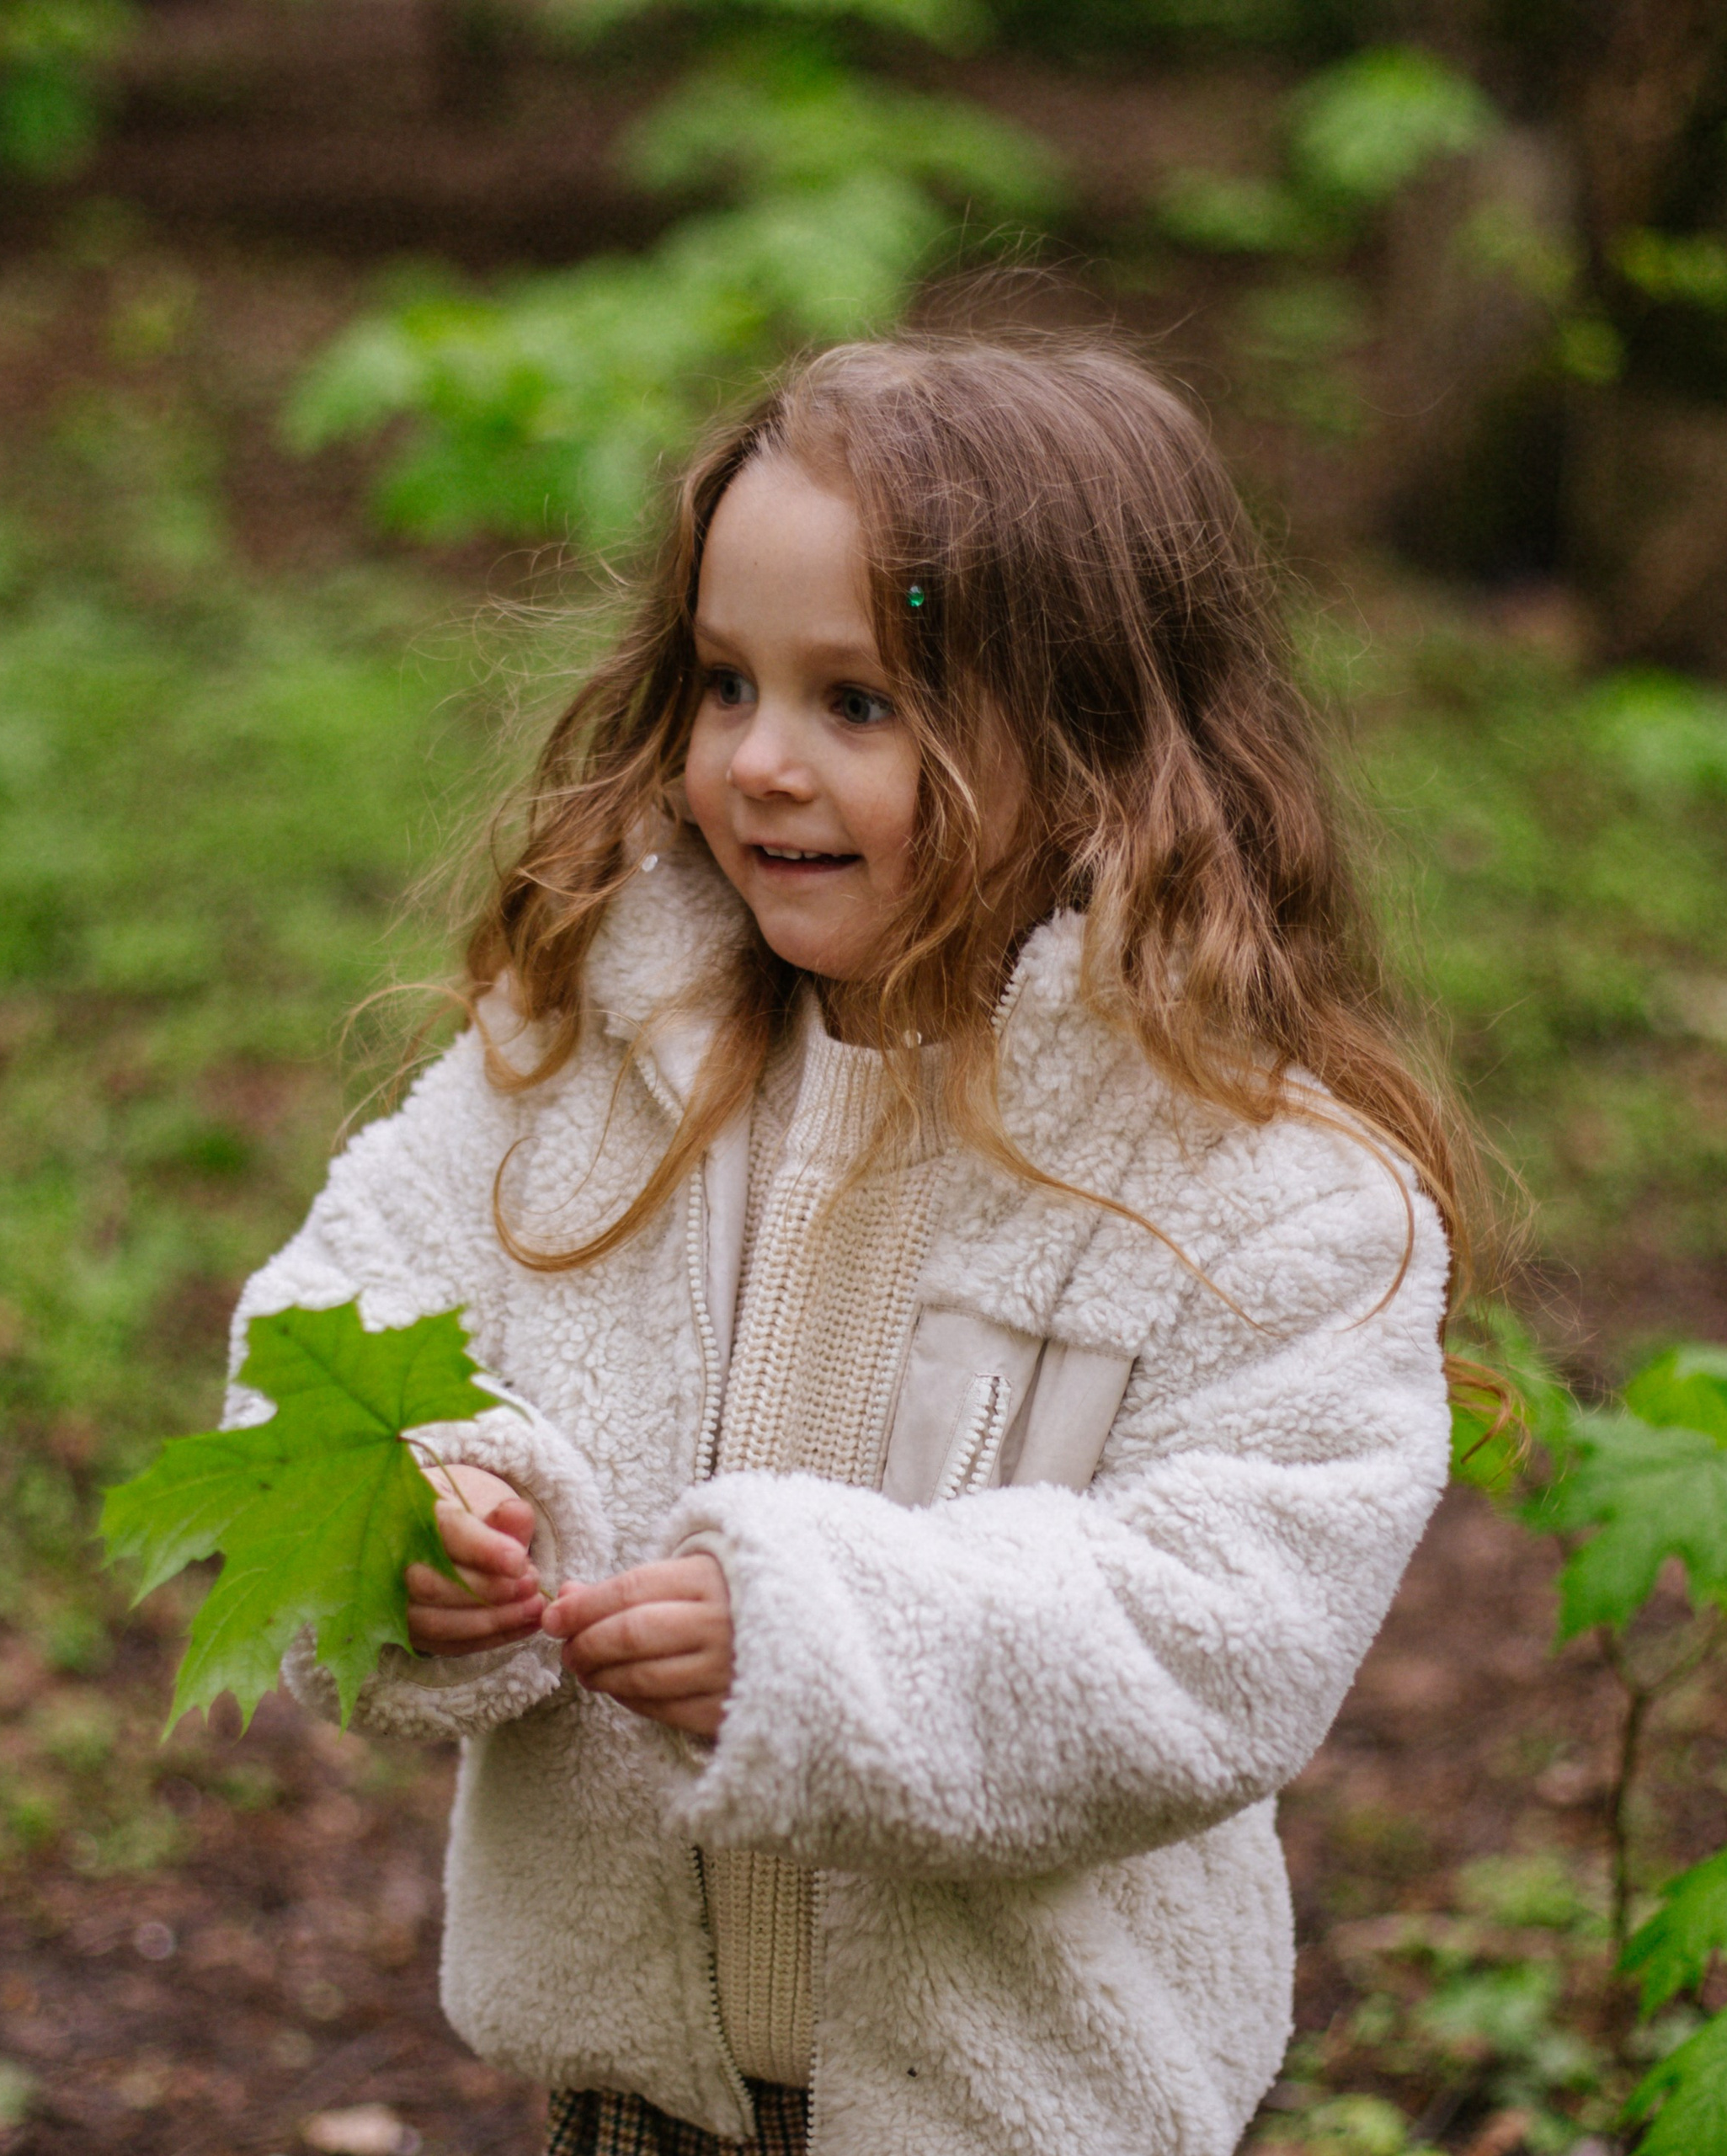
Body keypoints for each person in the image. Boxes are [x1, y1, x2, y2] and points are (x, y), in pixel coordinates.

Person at [228, 338, 1479, 2156]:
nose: (755, 762)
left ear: (1093, 736)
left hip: (1016, 2112)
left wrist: (818, 1646)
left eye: (858, 702)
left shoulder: (1254, 1184)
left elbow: (1219, 1633)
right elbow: (317, 1335)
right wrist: (413, 1514)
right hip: (625, 2097)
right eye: (722, 681)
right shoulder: (584, 1051)